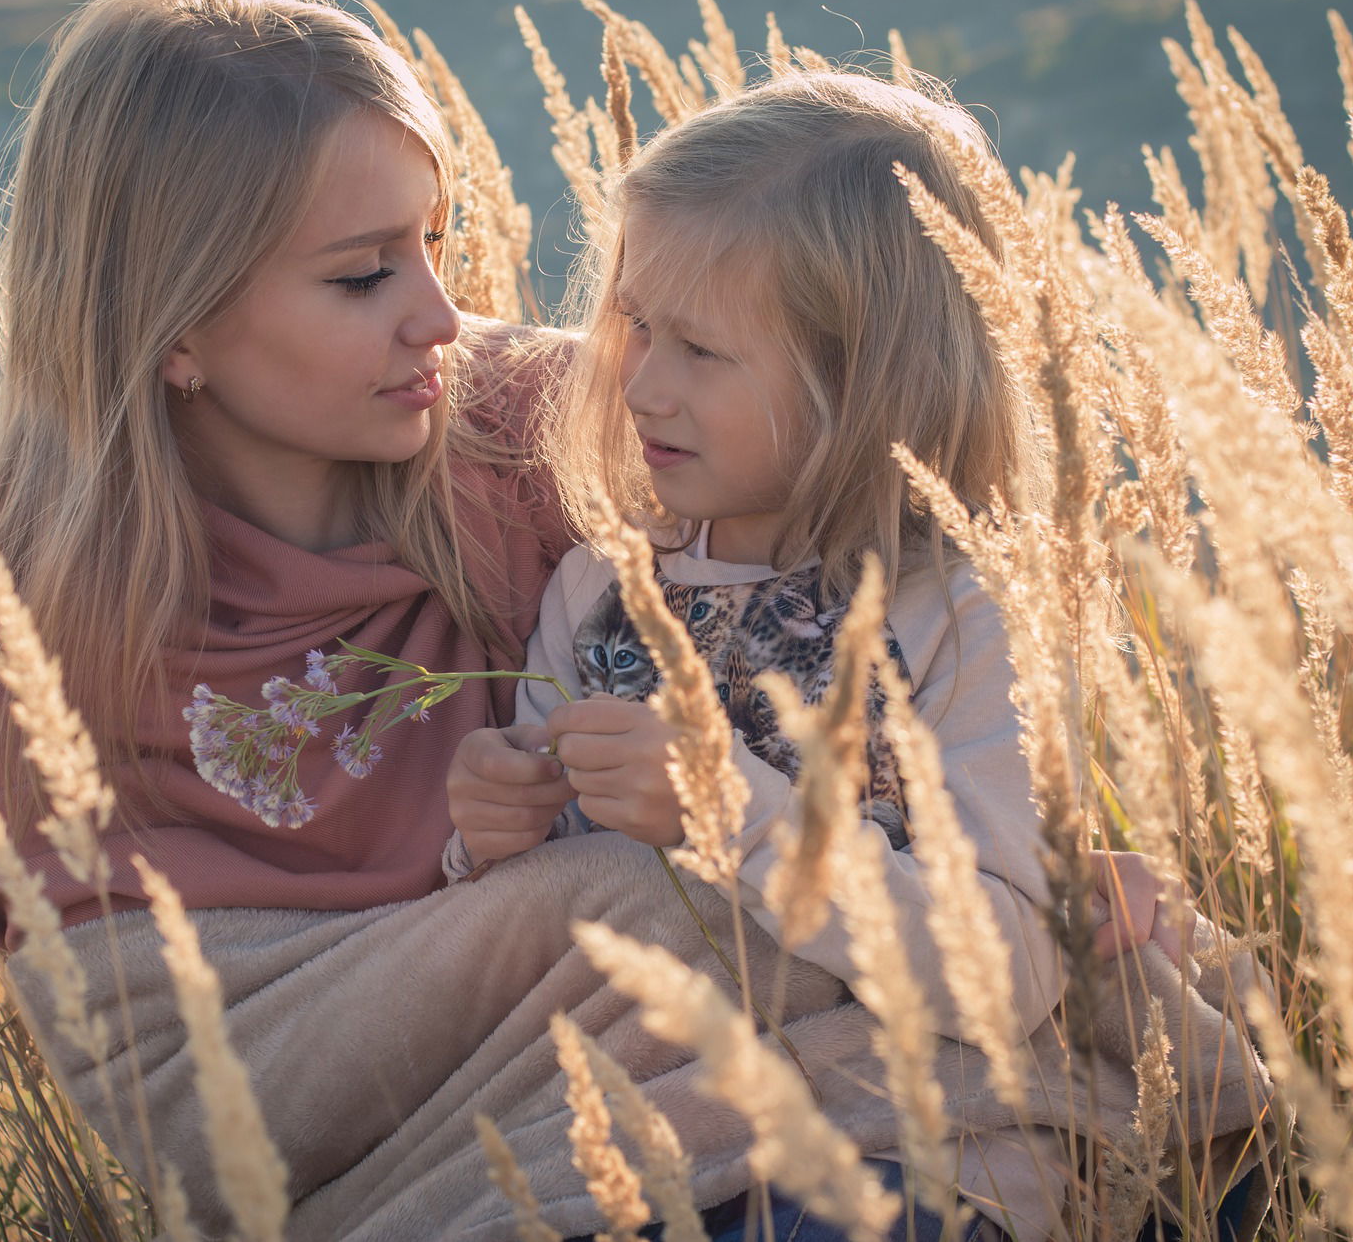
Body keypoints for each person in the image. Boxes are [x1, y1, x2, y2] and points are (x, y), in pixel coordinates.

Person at [0, 0, 1246, 1238]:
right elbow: (145, 1064)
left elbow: (851, 569)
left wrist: (1015, 845)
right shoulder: (36, 622)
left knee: (724, 912)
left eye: (435, 245)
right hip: (311, 1039)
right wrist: (509, 863)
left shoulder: (526, 429)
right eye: (365, 272)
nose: (442, 313)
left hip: (633, 991)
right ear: (173, 323)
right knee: (627, 901)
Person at [444, 71, 1263, 1240]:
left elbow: (1007, 971)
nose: (640, 379)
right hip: (666, 1119)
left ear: (864, 375)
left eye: (702, 350)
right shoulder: (602, 595)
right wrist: (486, 833)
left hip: (915, 1140)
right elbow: (539, 931)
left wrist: (736, 809)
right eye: (634, 325)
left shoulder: (959, 620)